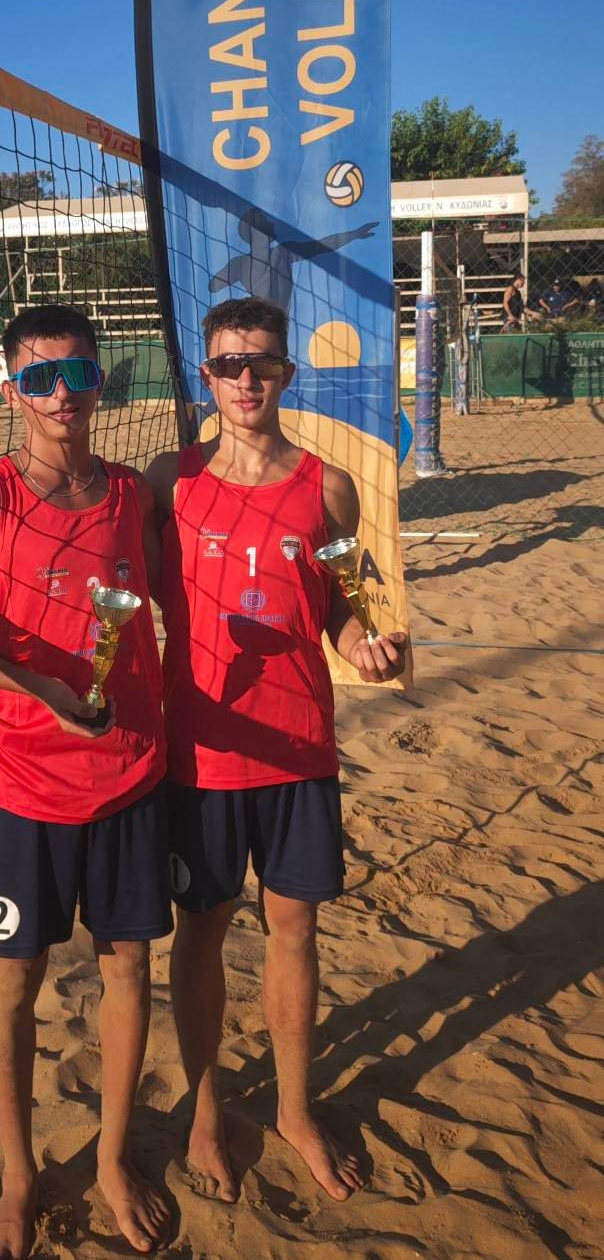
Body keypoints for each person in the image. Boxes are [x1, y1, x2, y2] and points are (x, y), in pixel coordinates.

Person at [0, 305, 172, 1260]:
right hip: (25, 782)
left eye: (79, 374)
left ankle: (111, 1159)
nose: (62, 394)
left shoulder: (132, 494)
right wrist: (37, 690)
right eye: (40, 377)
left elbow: (181, 604)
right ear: (9, 388)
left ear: (103, 381)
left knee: (127, 968)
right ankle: (19, 1176)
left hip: (131, 772)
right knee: (15, 982)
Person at [147, 295, 408, 1207]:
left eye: (262, 362)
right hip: (204, 756)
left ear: (286, 374)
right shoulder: (168, 482)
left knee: (295, 931)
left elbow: (345, 604)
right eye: (229, 363)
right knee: (203, 932)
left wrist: (364, 646)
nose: (246, 378)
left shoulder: (328, 487)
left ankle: (295, 1111)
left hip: (300, 750)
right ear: (206, 375)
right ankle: (206, 1113)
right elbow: (116, 583)